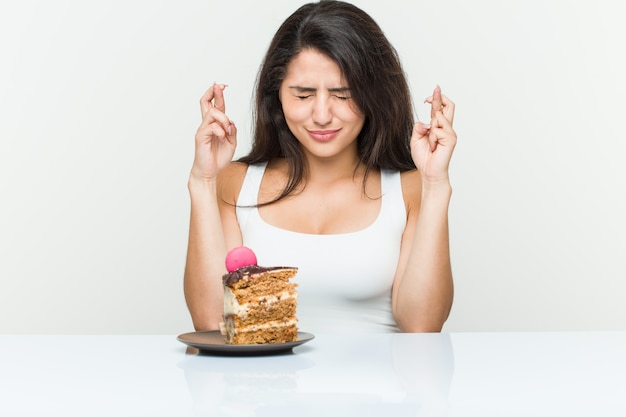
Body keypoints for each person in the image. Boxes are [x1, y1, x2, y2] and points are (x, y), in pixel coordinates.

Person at [184, 0, 457, 333]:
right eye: (303, 95)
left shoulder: (410, 189)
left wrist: (436, 185)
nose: (323, 114)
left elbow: (423, 325)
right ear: (277, 96)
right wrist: (203, 180)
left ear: (374, 96)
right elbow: (212, 323)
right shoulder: (235, 185)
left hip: (381, 383)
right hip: (262, 384)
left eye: (343, 94)